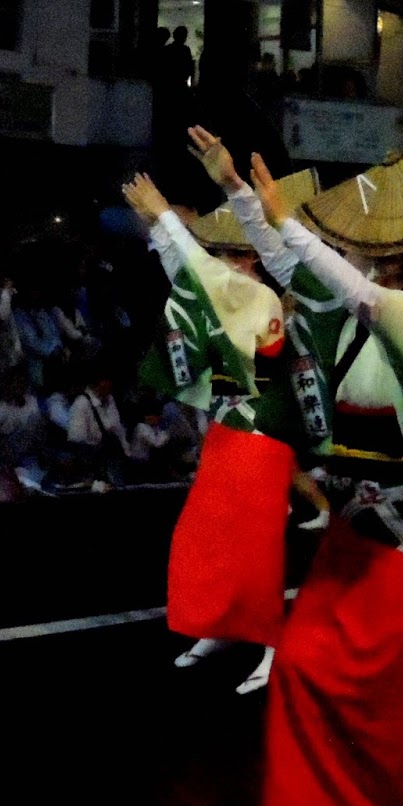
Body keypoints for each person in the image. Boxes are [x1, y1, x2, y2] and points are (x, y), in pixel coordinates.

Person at [236, 148, 403, 806]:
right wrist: (243, 197)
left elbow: (357, 293)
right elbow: (294, 271)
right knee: (301, 669)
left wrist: (291, 223)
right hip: (354, 533)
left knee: (385, 710)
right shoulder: (347, 323)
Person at [126, 154, 305, 696]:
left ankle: (272, 644)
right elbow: (189, 276)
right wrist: (159, 227)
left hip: (261, 433)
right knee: (205, 538)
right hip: (229, 430)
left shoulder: (259, 295)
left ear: (249, 259)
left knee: (256, 549)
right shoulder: (233, 289)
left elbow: (198, 275)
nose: (220, 261)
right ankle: (221, 628)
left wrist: (168, 222)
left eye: (229, 253)